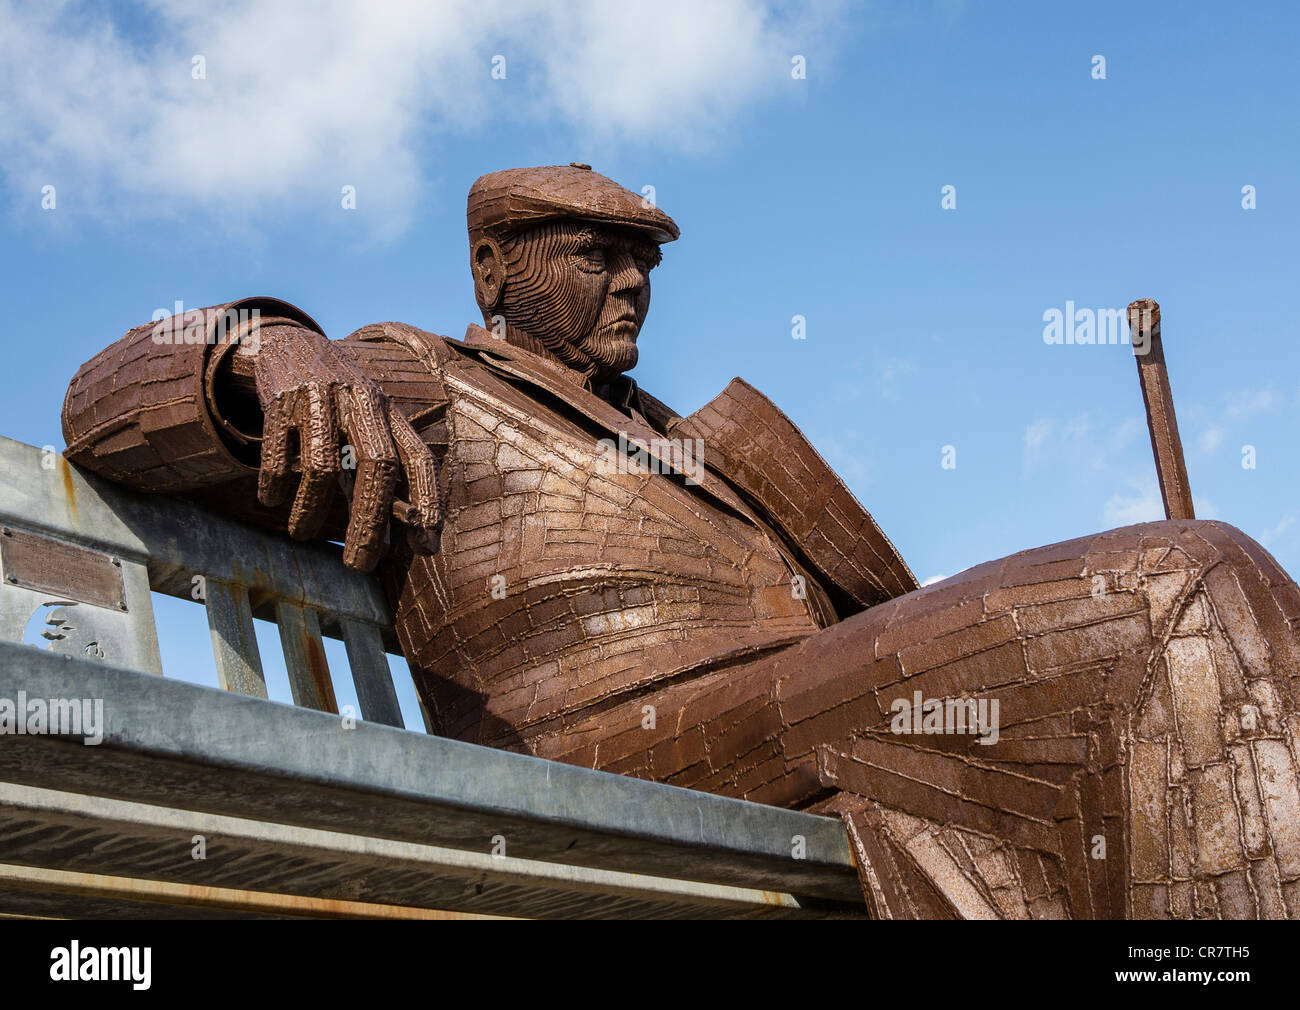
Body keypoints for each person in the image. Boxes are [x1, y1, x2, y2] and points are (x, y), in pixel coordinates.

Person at [63, 164, 1300, 918]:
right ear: (493, 265)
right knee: (1176, 585)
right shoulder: (423, 371)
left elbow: (896, 605)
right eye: (595, 251)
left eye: (643, 257)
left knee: (1174, 628)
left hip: (801, 708)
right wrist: (256, 343)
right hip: (606, 750)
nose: (635, 278)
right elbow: (107, 400)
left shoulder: (685, 431)